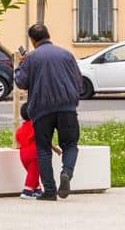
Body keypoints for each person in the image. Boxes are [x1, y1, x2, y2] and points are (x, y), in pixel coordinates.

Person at [14, 22, 84, 199]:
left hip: (41, 110)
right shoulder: (67, 54)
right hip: (67, 107)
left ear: (32, 40)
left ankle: (50, 191)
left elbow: (21, 82)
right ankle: (66, 173)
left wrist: (20, 65)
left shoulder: (31, 58)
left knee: (43, 149)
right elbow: (79, 82)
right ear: (48, 35)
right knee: (70, 145)